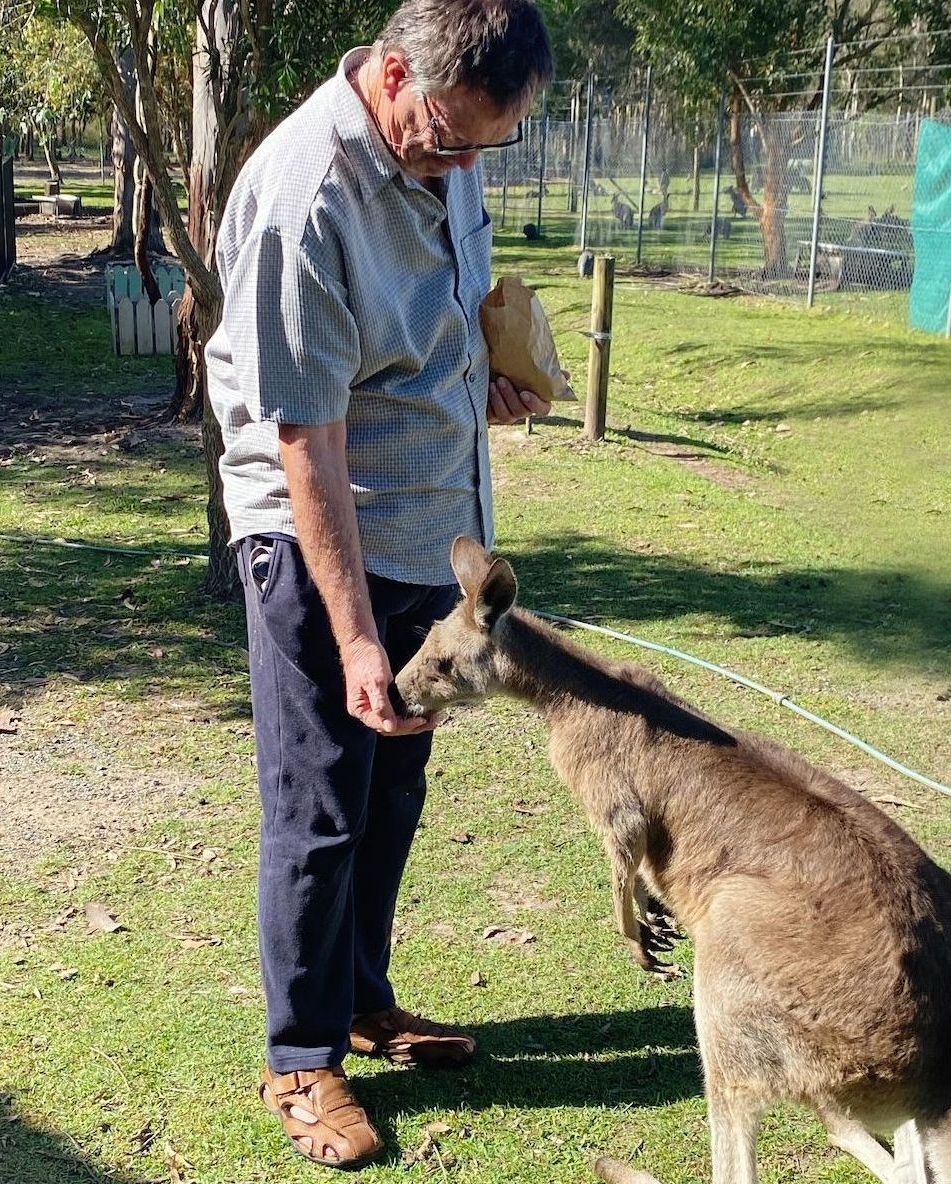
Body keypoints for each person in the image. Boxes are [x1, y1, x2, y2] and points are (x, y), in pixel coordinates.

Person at [203, 0, 555, 1169]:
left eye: (484, 148)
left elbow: (450, 312)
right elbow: (304, 438)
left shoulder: (448, 144)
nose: (462, 165)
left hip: (430, 528)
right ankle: (301, 1059)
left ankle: (360, 997)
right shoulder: (307, 193)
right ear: (394, 73)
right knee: (321, 804)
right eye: (450, 138)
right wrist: (355, 638)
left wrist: (486, 381)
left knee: (393, 782)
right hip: (322, 540)